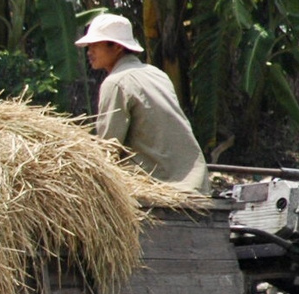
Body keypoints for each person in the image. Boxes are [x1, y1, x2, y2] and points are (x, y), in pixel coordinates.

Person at [74, 12, 209, 193]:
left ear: (116, 47)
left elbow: (108, 149)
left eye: (94, 46)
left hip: (158, 187)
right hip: (196, 184)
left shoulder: (116, 83)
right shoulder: (156, 74)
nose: (89, 52)